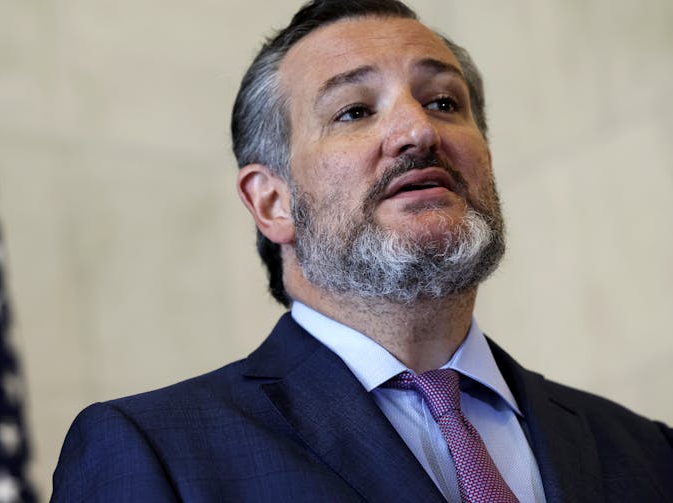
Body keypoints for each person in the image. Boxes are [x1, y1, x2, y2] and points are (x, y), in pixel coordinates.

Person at [51, 1, 673, 501]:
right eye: (353, 110)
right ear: (272, 203)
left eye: (442, 102)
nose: (418, 130)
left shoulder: (648, 453)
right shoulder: (154, 451)